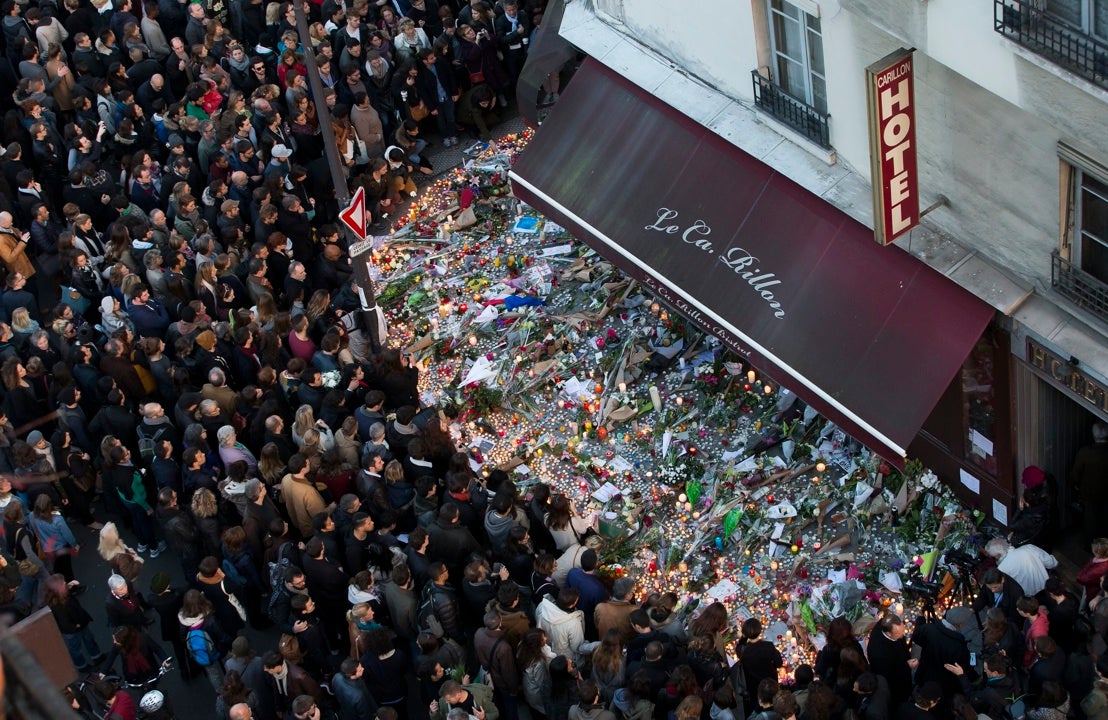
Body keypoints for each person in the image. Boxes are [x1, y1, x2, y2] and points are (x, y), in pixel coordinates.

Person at [1075, 423, 1108, 544]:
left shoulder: (1085, 452)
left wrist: (1075, 486)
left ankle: (1091, 548)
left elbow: (1076, 473)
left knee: (1091, 522)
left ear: (1094, 436)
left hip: (1089, 493)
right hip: (1106, 494)